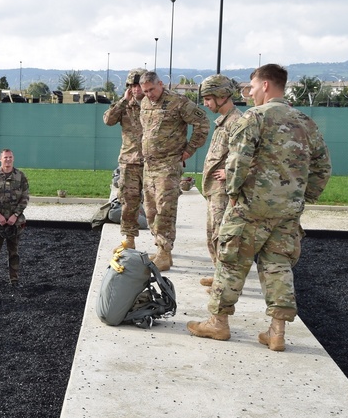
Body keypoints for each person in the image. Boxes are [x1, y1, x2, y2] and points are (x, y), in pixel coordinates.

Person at [188, 64, 331, 351]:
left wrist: (232, 194)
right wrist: (302, 198)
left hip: (250, 207)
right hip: (287, 212)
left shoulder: (254, 117)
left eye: (252, 88)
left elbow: (237, 161)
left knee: (231, 262)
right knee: (278, 266)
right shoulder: (306, 121)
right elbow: (323, 168)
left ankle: (218, 323)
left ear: (266, 85)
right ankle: (277, 332)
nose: (250, 94)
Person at [138, 70, 210, 270]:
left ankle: (164, 251)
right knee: (151, 210)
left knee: (165, 209)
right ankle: (161, 250)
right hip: (149, 165)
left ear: (160, 84)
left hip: (168, 164)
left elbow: (202, 122)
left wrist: (189, 150)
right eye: (145, 91)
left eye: (152, 89)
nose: (149, 94)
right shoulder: (145, 103)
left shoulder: (178, 102)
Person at [198, 74, 243, 287]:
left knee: (222, 236)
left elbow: (245, 154)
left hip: (224, 190)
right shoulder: (224, 121)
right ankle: (219, 275)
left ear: (222, 95)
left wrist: (229, 171)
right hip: (214, 189)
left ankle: (224, 283)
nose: (206, 104)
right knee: (213, 233)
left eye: (208, 98)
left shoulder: (237, 122)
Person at [103, 68, 148, 250]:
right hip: (129, 161)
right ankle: (129, 239)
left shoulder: (156, 104)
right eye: (132, 86)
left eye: (138, 85)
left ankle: (162, 246)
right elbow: (108, 120)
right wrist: (124, 100)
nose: (136, 89)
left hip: (153, 162)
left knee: (156, 206)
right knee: (128, 203)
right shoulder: (125, 105)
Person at [0, 149, 29, 289]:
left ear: (13, 159)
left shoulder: (20, 176)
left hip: (15, 222)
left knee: (13, 251)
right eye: (5, 157)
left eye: (10, 157)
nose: (8, 160)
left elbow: (25, 198)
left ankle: (14, 280)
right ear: (0, 159)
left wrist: (15, 215)